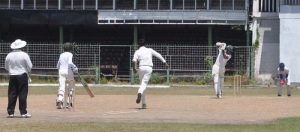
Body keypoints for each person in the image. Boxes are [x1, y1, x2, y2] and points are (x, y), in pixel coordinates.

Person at [132, 39, 169, 109]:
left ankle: (143, 104)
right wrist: (165, 62)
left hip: (141, 68)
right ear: (145, 44)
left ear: (138, 45)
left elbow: (133, 61)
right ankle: (139, 93)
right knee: (144, 84)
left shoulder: (137, 51)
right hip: (149, 68)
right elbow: (158, 55)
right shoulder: (149, 50)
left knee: (142, 85)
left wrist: (134, 69)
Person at [5, 39, 32, 118]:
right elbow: (30, 66)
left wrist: (12, 70)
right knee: (22, 93)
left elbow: (6, 67)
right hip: (22, 75)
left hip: (12, 76)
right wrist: (27, 71)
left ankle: (10, 112)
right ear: (22, 46)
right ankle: (23, 112)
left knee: (12, 94)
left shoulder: (9, 55)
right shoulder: (24, 55)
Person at [56, 42, 78, 109]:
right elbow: (70, 63)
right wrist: (75, 68)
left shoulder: (61, 55)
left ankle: (60, 100)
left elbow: (57, 66)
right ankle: (69, 103)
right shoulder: (70, 54)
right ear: (70, 48)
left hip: (61, 71)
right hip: (68, 72)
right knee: (71, 87)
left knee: (61, 87)